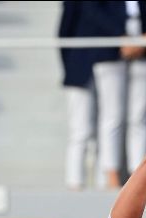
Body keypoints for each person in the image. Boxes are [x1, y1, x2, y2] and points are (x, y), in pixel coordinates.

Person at [81, 1, 146, 188]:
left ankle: (138, 176)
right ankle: (111, 177)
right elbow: (92, 9)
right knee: (112, 116)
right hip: (109, 48)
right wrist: (119, 37)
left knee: (140, 118)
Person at [58, 1, 97, 190]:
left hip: (110, 66)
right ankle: (75, 182)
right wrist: (72, 67)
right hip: (80, 70)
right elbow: (64, 33)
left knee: (106, 130)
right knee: (80, 131)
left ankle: (104, 182)